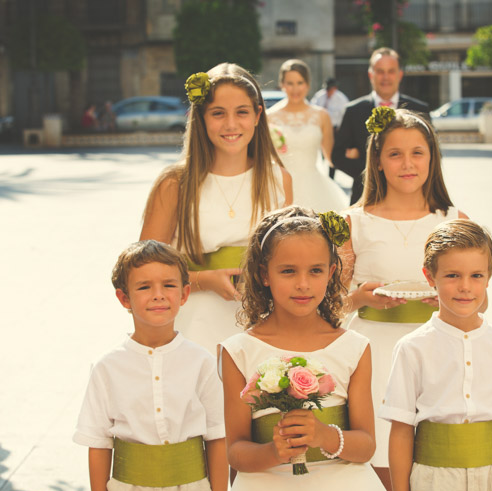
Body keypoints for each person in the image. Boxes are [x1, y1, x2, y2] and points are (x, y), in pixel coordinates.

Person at [216, 206, 408, 491]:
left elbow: (366, 446)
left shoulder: (353, 348)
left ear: (332, 271)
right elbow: (236, 451)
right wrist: (273, 451)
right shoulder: (238, 351)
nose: (303, 284)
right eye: (288, 271)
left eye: (316, 271)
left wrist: (323, 435)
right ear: (264, 274)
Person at [340, 106, 467, 491]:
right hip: (374, 355)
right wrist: (358, 298)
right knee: (379, 457)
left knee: (431, 460)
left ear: (432, 158)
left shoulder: (453, 220)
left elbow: (479, 298)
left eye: (418, 153)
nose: (407, 163)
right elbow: (328, 301)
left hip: (436, 351)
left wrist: (451, 302)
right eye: (395, 154)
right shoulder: (354, 221)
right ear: (377, 161)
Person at [380, 220, 492, 491]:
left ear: (488, 278)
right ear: (430, 277)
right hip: (432, 484)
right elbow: (400, 431)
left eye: (476, 276)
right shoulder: (412, 348)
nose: (465, 286)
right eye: (452, 276)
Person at [73, 240, 228, 491]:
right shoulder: (107, 367)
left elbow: (218, 438)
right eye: (144, 287)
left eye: (168, 286)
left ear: (184, 294)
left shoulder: (202, 362)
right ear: (124, 298)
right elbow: (98, 443)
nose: (158, 295)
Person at [140, 63, 293, 355]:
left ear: (259, 115)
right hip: (193, 324)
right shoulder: (175, 183)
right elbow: (145, 271)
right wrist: (202, 280)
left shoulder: (278, 179)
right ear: (201, 117)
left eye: (242, 112)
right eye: (218, 113)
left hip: (260, 326)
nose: (231, 124)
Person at [333, 48, 430, 205]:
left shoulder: (419, 109)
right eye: (380, 71)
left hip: (412, 197)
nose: (385, 77)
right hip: (365, 197)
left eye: (391, 71)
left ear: (400, 74)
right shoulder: (353, 110)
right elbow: (337, 156)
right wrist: (370, 171)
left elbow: (433, 153)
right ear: (371, 74)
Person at [268, 59, 348, 213]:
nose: (295, 88)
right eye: (290, 83)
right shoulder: (269, 117)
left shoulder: (322, 115)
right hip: (279, 188)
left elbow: (331, 159)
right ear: (282, 84)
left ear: (308, 84)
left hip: (315, 187)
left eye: (300, 82)